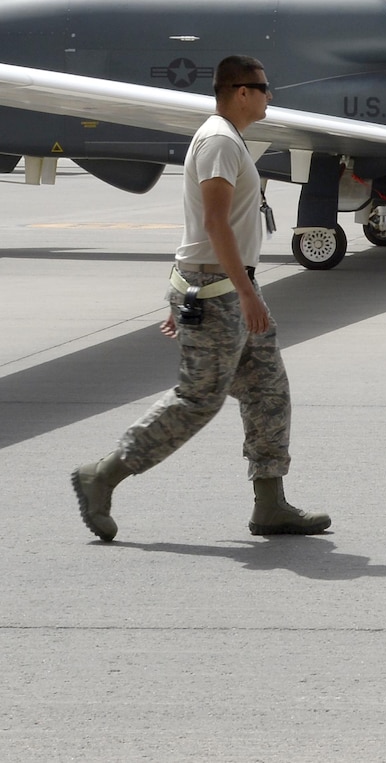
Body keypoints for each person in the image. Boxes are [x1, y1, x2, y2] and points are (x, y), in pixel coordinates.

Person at [71, 55, 330, 541]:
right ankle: (101, 475)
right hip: (221, 292)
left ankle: (270, 504)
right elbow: (211, 224)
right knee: (198, 400)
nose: (271, 95)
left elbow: (206, 229)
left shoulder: (229, 140)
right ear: (240, 91)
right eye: (264, 86)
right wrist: (244, 293)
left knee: (268, 390)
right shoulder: (218, 141)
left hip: (223, 288)